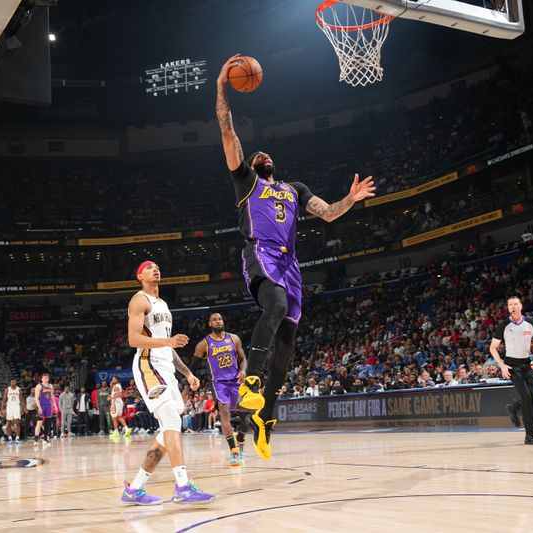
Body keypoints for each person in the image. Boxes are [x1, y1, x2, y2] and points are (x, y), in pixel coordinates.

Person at [216, 54, 376, 460]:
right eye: (257, 154)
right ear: (250, 164)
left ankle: (265, 418)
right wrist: (221, 86)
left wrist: (350, 200)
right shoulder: (245, 182)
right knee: (276, 306)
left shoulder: (294, 189)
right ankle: (249, 383)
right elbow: (227, 129)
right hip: (260, 252)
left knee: (287, 346)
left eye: (266, 154)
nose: (262, 154)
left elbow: (327, 212)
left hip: (290, 264)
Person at [121, 261, 214, 505]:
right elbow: (133, 339)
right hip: (147, 365)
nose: (156, 269)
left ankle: (135, 489)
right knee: (172, 420)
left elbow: (168, 345)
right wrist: (168, 342)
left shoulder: (163, 304)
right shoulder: (139, 300)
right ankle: (182, 485)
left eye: (158, 267)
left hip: (165, 367)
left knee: (169, 428)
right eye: (149, 267)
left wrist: (187, 374)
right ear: (140, 275)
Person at [191, 312, 249, 466]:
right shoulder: (203, 344)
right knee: (224, 412)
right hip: (218, 383)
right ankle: (234, 452)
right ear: (210, 324)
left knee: (246, 418)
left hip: (236, 381)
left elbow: (243, 359)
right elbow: (192, 367)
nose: (218, 321)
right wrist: (188, 383)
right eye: (214, 320)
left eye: (220, 319)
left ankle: (241, 439)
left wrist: (243, 371)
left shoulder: (234, 339)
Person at [490, 296, 533, 445]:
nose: (513, 306)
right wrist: (502, 365)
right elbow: (493, 347)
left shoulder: (531, 324)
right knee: (526, 398)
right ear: (508, 308)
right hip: (512, 365)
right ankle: (529, 435)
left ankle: (513, 408)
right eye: (510, 305)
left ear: (521, 306)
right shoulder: (504, 325)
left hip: (527, 364)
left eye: (515, 304)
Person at [34, 373, 55, 446]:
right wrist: (39, 407)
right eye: (44, 378)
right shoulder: (39, 386)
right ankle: (36, 439)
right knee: (39, 423)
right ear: (41, 379)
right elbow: (36, 398)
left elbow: (52, 396)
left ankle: (45, 439)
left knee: (47, 423)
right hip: (42, 405)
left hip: (48, 406)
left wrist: (54, 405)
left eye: (46, 378)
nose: (45, 379)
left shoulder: (50, 386)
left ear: (48, 379)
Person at [1, 378, 22, 443]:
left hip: (16, 407)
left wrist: (22, 408)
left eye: (14, 382)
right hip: (9, 407)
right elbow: (4, 399)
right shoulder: (7, 390)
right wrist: (2, 409)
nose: (13, 383)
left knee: (17, 422)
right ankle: (9, 438)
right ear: (10, 383)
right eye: (12, 382)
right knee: (9, 423)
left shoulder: (19, 389)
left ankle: (17, 438)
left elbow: (21, 399)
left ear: (16, 382)